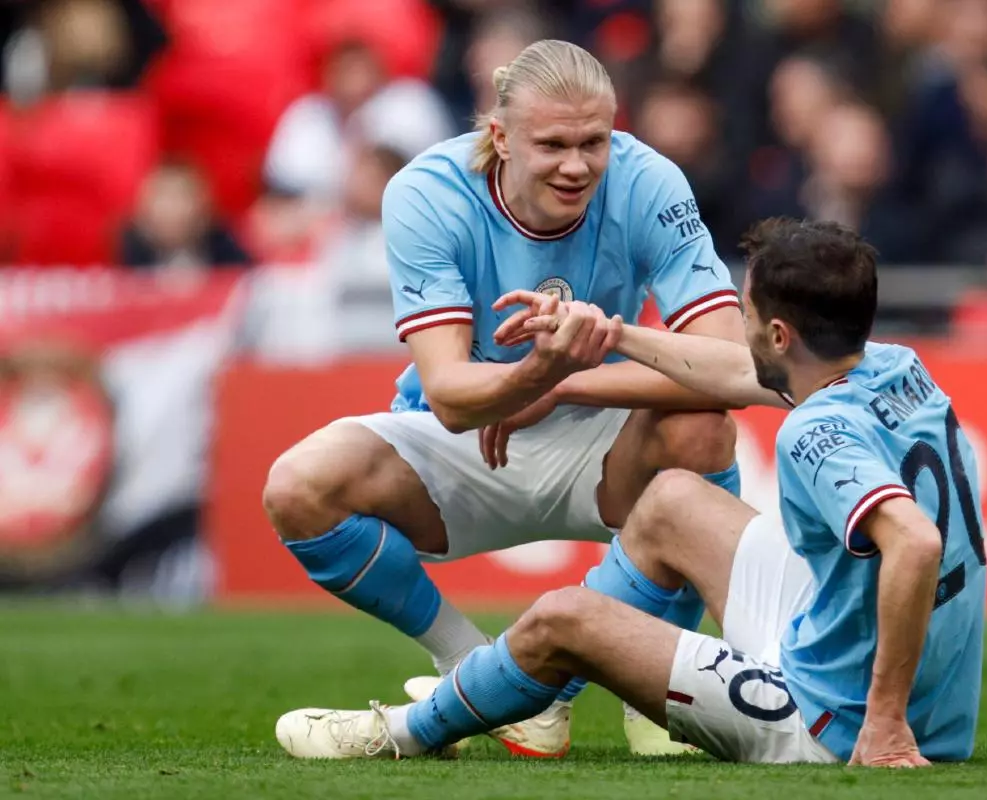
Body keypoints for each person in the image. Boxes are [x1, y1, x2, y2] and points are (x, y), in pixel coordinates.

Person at [274, 218, 987, 767]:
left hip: (830, 717)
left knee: (563, 618)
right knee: (673, 498)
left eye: (745, 317)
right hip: (909, 687)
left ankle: (402, 733)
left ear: (778, 334)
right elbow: (728, 369)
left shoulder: (814, 430)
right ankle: (527, 698)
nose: (738, 333)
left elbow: (914, 542)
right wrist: (600, 345)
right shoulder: (896, 365)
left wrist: (884, 723)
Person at [262, 39, 745, 759]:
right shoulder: (427, 191)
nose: (577, 165)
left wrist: (561, 381)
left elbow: (733, 365)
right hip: (463, 435)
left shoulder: (649, 182)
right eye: (552, 145)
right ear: (501, 136)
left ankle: (651, 685)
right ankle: (467, 661)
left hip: (599, 429)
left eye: (594, 142)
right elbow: (451, 395)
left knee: (702, 430)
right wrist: (536, 374)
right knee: (298, 487)